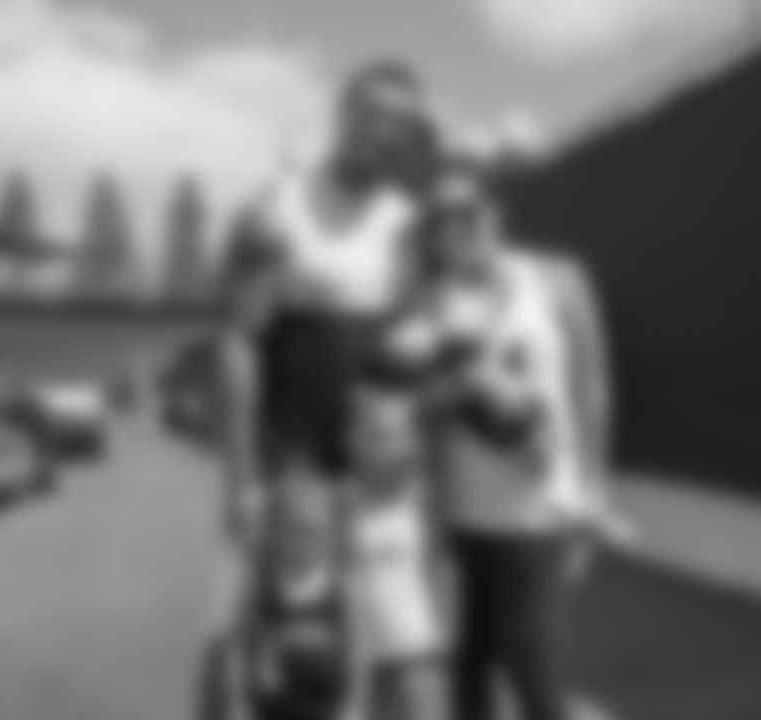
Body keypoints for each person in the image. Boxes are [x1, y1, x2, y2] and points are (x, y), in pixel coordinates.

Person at [203, 58, 451, 720]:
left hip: (378, 480)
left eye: (400, 123)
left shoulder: (411, 228)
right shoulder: (274, 209)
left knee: (411, 661)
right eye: (371, 112)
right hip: (288, 477)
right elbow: (237, 342)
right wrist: (241, 477)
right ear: (341, 112)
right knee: (254, 665)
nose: (383, 130)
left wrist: (412, 454)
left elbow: (418, 353)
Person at [386, 160, 626, 720]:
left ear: (496, 211)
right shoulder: (429, 301)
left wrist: (596, 482)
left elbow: (593, 382)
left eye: (465, 212)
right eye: (437, 219)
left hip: (545, 504)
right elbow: (412, 406)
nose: (453, 229)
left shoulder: (559, 277)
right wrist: (456, 389)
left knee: (528, 657)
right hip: (467, 510)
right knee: (471, 661)